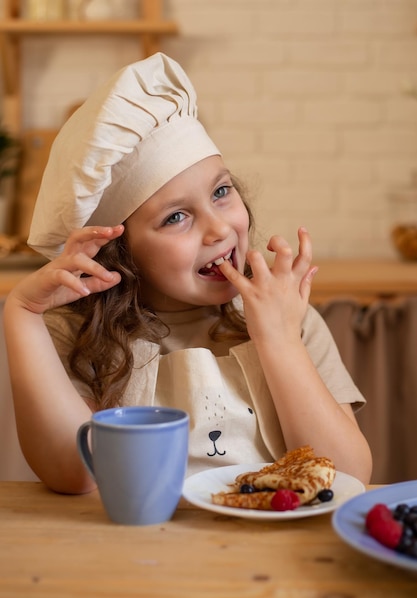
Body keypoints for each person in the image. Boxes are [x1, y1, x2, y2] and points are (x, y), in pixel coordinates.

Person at [3, 53, 372, 494]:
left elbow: (347, 476)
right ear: (120, 252)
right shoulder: (76, 331)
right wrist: (21, 313)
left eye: (221, 191)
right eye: (176, 217)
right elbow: (73, 473)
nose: (219, 228)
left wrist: (279, 339)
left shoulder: (294, 320)